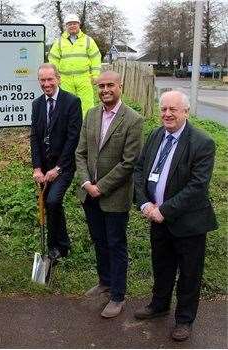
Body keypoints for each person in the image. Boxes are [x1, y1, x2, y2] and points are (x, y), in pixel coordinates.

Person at [133, 90, 218, 341]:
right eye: (163, 109)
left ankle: (184, 320)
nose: (167, 114)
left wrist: (164, 210)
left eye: (173, 110)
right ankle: (159, 305)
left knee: (190, 273)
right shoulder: (156, 134)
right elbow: (140, 170)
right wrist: (145, 204)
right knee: (162, 266)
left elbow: (197, 186)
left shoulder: (202, 142)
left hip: (188, 222)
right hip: (156, 217)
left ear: (186, 112)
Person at [75, 70, 144, 318]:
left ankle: (117, 295)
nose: (105, 90)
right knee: (99, 241)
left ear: (120, 86)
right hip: (88, 194)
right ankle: (105, 281)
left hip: (113, 197)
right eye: (101, 85)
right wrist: (85, 182)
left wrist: (100, 187)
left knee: (116, 245)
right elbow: (80, 153)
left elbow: (129, 163)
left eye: (110, 85)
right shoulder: (91, 115)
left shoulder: (133, 119)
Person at [30, 63, 82, 262]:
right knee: (50, 204)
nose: (46, 84)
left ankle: (53, 249)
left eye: (50, 79)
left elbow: (73, 139)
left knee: (52, 201)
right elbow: (34, 137)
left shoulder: (72, 102)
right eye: (42, 80)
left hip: (64, 165)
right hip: (43, 167)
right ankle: (64, 245)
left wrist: (58, 168)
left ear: (58, 79)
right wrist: (36, 167)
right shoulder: (37, 104)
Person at [48, 14, 101, 117]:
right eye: (69, 24)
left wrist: (95, 75)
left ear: (79, 25)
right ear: (66, 26)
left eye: (74, 24)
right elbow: (53, 60)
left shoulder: (88, 40)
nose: (72, 26)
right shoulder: (59, 42)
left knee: (87, 105)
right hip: (65, 79)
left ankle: (86, 127)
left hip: (84, 78)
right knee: (66, 104)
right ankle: (68, 127)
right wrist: (55, 77)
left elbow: (95, 57)